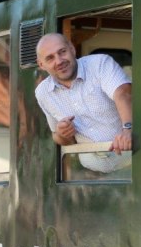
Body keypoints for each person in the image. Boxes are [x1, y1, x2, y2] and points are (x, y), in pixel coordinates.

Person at [35, 33, 133, 173]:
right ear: (41, 64)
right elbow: (57, 136)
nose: (59, 61)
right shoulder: (42, 93)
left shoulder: (99, 63)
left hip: (132, 162)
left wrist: (128, 129)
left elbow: (123, 93)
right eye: (50, 58)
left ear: (72, 49)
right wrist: (63, 134)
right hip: (89, 175)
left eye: (62, 52)